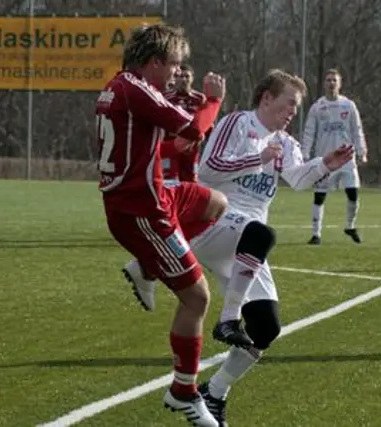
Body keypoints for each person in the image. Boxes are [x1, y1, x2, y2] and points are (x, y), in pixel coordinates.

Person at [122, 69, 354, 426]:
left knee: (266, 328)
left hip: (246, 242)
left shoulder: (286, 143)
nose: (293, 111)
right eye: (289, 103)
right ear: (266, 98)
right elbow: (209, 169)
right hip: (214, 221)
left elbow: (295, 177)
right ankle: (227, 318)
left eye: (297, 106)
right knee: (260, 233)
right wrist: (257, 159)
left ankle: (214, 393)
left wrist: (325, 164)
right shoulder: (237, 124)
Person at [96, 23, 227, 426]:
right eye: (173, 64)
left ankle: (146, 267)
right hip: (142, 213)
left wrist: (175, 143)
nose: (176, 72)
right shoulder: (136, 89)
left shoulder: (121, 86)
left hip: (156, 195)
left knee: (215, 203)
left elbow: (143, 140)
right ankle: (184, 392)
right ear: (153, 63)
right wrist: (214, 100)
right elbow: (195, 127)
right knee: (197, 298)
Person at [302, 68, 368, 245]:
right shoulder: (317, 107)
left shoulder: (348, 105)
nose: (331, 83)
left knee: (353, 192)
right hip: (326, 159)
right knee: (320, 196)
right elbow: (309, 132)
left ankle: (350, 226)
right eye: (328, 80)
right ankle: (316, 234)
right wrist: (305, 153)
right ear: (324, 84)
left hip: (347, 157)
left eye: (334, 80)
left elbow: (357, 129)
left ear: (340, 84)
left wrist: (362, 151)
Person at [161, 64, 208, 185]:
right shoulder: (166, 97)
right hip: (171, 145)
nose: (183, 80)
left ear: (192, 78)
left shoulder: (200, 98)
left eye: (187, 76)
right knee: (169, 181)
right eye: (180, 76)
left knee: (191, 181)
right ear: (175, 78)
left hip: (191, 148)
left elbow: (206, 121)